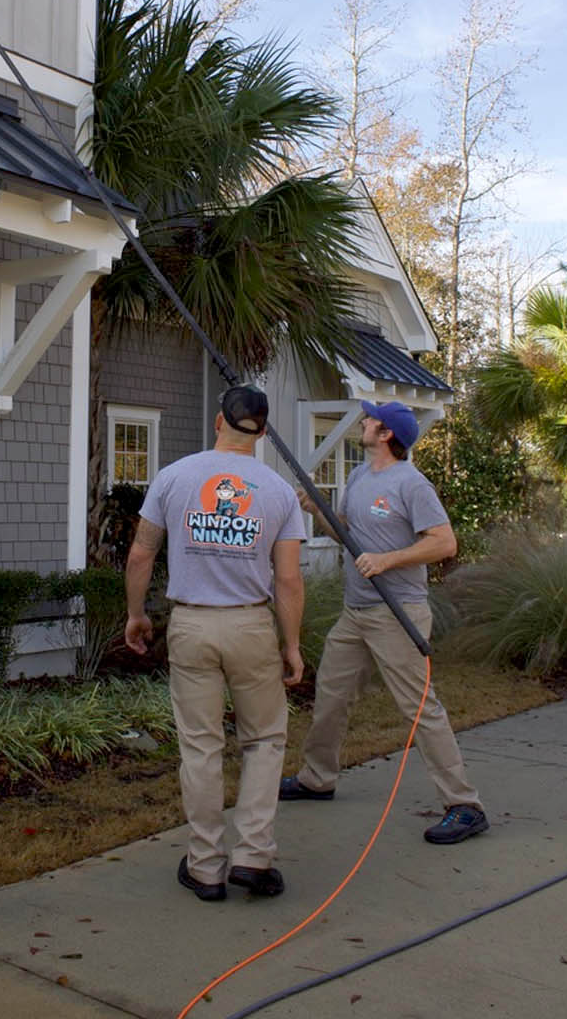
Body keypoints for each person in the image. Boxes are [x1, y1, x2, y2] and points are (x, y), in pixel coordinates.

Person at [124, 384, 306, 901]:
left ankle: (205, 866)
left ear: (218, 422)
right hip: (250, 626)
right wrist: (291, 644)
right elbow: (289, 581)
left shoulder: (174, 477)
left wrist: (137, 614)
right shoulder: (274, 490)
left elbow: (141, 554)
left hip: (191, 625)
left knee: (201, 747)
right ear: (263, 432)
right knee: (265, 740)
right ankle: (253, 856)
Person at [283, 399, 489, 845]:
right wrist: (317, 509)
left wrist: (389, 559)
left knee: (420, 708)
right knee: (332, 695)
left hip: (398, 615)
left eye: (372, 418)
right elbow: (347, 534)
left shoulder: (411, 484)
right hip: (356, 612)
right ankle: (317, 778)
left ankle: (464, 805)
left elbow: (444, 543)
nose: (365, 420)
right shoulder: (360, 475)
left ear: (387, 434)